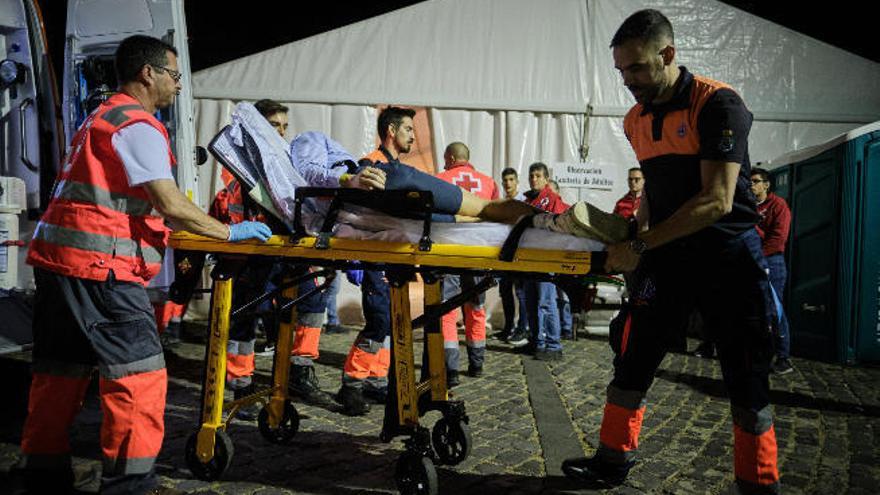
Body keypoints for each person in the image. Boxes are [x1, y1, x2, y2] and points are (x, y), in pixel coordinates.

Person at [20, 35, 271, 495]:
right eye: (174, 76)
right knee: (140, 375)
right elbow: (169, 202)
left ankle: (42, 469)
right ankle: (130, 485)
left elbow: (130, 207)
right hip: (101, 268)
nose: (178, 86)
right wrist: (227, 232)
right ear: (148, 73)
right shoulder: (137, 125)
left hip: (59, 262)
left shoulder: (101, 117)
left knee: (61, 370)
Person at [560, 11, 780, 494]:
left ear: (668, 55)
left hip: (729, 258)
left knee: (745, 376)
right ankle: (611, 459)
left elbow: (717, 200)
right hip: (666, 257)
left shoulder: (718, 103)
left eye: (637, 68)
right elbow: (654, 192)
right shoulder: (635, 119)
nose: (628, 81)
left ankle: (759, 484)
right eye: (621, 71)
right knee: (633, 357)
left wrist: (639, 244)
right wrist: (633, 230)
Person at [213, 99, 334, 415]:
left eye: (284, 126)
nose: (281, 132)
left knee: (313, 302)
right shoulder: (241, 174)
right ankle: (240, 384)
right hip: (253, 256)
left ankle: (299, 370)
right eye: (274, 126)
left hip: (289, 253)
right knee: (245, 317)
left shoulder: (291, 165)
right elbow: (227, 211)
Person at [435, 142, 499, 384]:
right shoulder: (489, 182)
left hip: (448, 251)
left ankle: (450, 369)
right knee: (476, 308)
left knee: (447, 310)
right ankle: (477, 363)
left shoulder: (440, 179)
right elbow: (497, 218)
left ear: (451, 158)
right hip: (479, 251)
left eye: (445, 158)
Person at [513, 162, 568, 360]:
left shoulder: (553, 199)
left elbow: (561, 223)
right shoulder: (527, 200)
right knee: (530, 303)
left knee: (546, 302)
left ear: (546, 179)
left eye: (538, 176)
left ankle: (554, 346)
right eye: (531, 176)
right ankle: (537, 342)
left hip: (546, 260)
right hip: (529, 260)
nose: (534, 179)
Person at [751, 167, 793, 375]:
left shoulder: (778, 205)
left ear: (766, 184)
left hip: (771, 262)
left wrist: (759, 256)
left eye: (756, 181)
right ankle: (760, 354)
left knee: (774, 310)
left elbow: (778, 239)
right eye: (749, 181)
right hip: (751, 262)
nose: (751, 185)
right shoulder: (748, 206)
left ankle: (783, 357)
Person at [497, 167, 528, 342]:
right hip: (502, 254)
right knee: (505, 291)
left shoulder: (523, 202)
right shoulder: (501, 202)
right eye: (505, 180)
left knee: (521, 292)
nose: (508, 183)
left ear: (516, 181)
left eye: (511, 180)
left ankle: (522, 328)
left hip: (518, 254)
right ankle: (508, 327)